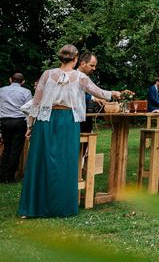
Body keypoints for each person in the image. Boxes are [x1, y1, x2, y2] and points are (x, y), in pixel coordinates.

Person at [18, 44, 120, 217]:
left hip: (46, 120)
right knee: (66, 162)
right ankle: (62, 208)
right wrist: (114, 93)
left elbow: (36, 102)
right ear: (76, 59)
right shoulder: (80, 77)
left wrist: (30, 125)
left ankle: (33, 207)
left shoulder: (47, 74)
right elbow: (98, 92)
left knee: (41, 162)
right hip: (67, 121)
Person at [0, 73, 31, 183]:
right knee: (15, 150)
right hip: (19, 121)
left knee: (6, 148)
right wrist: (29, 125)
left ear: (10, 80)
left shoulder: (1, 90)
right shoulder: (26, 92)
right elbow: (28, 109)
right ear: (23, 82)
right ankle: (10, 176)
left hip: (5, 121)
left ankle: (2, 175)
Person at [77, 52, 107, 133]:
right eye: (92, 65)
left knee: (87, 140)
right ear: (83, 63)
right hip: (76, 118)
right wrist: (93, 98)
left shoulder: (88, 78)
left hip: (87, 116)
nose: (94, 68)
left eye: (95, 66)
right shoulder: (74, 77)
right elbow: (76, 96)